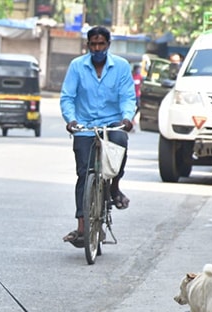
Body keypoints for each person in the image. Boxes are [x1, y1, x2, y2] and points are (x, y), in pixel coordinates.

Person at [60, 26, 136, 248]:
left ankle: (114, 187)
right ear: (88, 45)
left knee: (120, 143)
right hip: (84, 126)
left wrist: (127, 118)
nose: (97, 48)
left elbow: (127, 97)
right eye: (93, 44)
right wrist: (71, 119)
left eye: (101, 44)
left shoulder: (121, 66)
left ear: (108, 45)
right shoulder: (77, 66)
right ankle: (83, 226)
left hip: (112, 124)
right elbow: (67, 97)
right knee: (84, 174)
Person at [131, 64, 143, 129]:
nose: (139, 70)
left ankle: (132, 117)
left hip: (137, 94)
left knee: (138, 106)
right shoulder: (131, 76)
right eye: (138, 69)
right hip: (131, 94)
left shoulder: (140, 77)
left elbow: (141, 84)